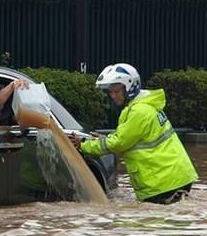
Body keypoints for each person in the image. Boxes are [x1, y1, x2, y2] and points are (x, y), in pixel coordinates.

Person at [70, 63, 198, 204]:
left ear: (130, 87)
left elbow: (119, 143)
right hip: (172, 178)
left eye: (117, 91)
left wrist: (83, 145)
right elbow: (128, 137)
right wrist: (104, 139)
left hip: (163, 182)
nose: (113, 95)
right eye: (110, 91)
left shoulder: (139, 111)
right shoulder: (143, 106)